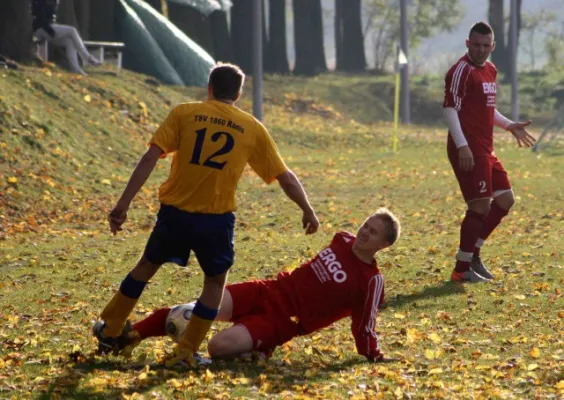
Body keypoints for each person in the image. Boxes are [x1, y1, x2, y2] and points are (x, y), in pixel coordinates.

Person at [93, 63, 319, 367]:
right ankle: (185, 351)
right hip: (215, 220)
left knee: (146, 266)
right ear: (238, 94)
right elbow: (286, 177)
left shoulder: (184, 113)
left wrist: (122, 204)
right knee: (214, 284)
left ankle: (111, 329)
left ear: (209, 87)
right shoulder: (251, 127)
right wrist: (307, 210)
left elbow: (150, 157)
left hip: (174, 214)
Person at [102, 209, 401, 365]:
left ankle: (260, 347)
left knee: (216, 347)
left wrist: (373, 354)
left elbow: (364, 324)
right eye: (365, 225)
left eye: (373, 232)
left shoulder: (371, 281)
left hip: (282, 321)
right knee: (190, 311)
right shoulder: (342, 239)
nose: (364, 232)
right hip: (266, 290)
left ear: (384, 245)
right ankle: (127, 338)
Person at [443, 22, 536, 283]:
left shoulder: (490, 70)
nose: (482, 50)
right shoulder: (461, 71)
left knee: (505, 199)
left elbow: (487, 109)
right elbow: (450, 109)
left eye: (486, 45)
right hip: (469, 148)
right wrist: (462, 145)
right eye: (477, 45)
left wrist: (509, 126)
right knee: (480, 205)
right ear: (467, 44)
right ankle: (461, 269)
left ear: (492, 46)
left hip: (486, 148)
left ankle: (473, 254)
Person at [31, 0, 102, 76]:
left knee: (69, 42)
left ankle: (75, 69)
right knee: (72, 30)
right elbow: (40, 18)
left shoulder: (55, 2)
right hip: (41, 29)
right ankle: (87, 57)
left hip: (51, 28)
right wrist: (51, 31)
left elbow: (51, 18)